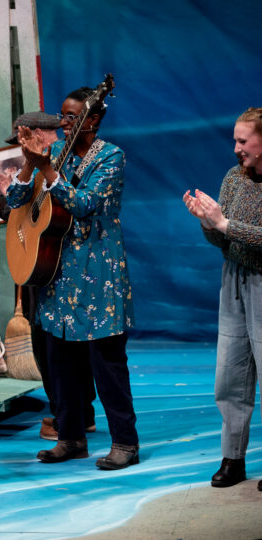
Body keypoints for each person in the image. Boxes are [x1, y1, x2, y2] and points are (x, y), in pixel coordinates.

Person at [8, 87, 139, 469]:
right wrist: (29, 165)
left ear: (92, 120)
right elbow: (17, 201)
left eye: (70, 117)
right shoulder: (57, 157)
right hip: (58, 274)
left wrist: (48, 170)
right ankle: (71, 437)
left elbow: (85, 205)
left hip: (99, 275)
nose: (62, 123)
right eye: (62, 116)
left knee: (107, 364)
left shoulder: (111, 157)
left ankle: (125, 444)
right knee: (59, 362)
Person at [0, 111, 97, 442]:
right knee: (46, 344)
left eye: (25, 140)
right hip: (40, 259)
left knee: (63, 346)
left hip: (64, 264)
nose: (20, 149)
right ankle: (72, 411)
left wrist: (4, 198)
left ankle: (75, 412)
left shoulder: (61, 165)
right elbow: (17, 210)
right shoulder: (34, 168)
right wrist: (2, 197)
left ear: (40, 135)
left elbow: (63, 207)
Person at [183, 107, 262, 491]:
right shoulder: (234, 178)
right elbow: (222, 238)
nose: (236, 148)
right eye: (235, 140)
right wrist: (207, 222)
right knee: (229, 376)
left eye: (243, 141)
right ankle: (234, 458)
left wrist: (225, 223)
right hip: (234, 281)